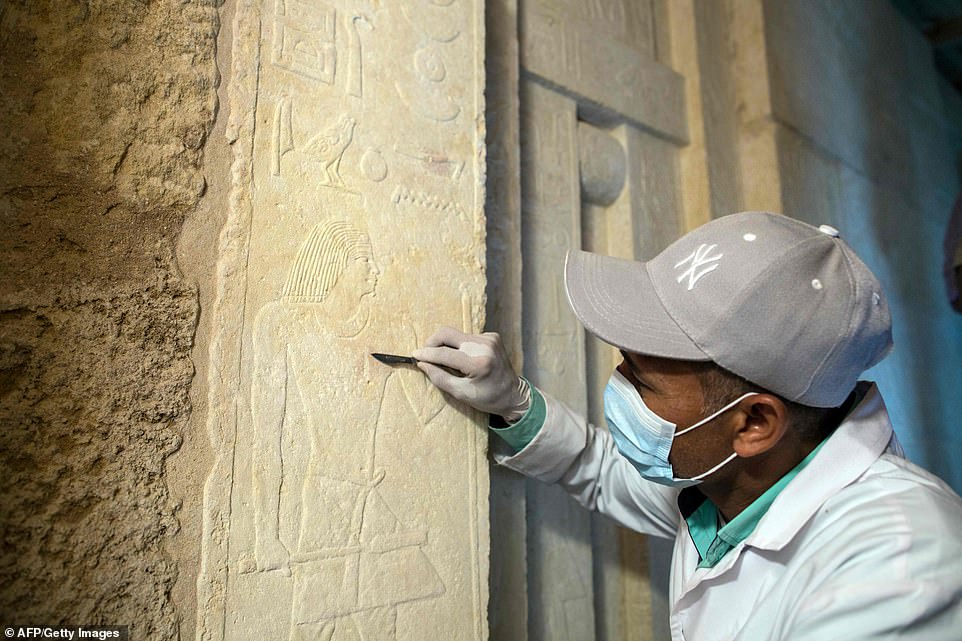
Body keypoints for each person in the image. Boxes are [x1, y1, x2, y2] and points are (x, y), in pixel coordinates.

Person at [413, 211, 962, 640]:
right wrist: (511, 401)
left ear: (754, 423)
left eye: (642, 380)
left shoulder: (902, 566)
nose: (618, 387)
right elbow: (600, 469)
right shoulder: (734, 483)